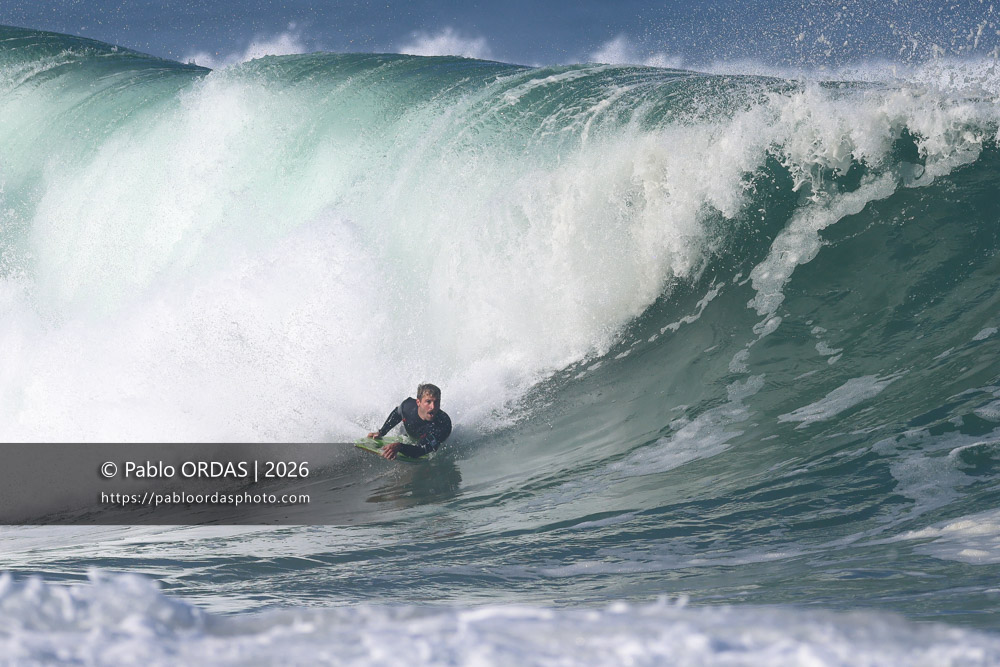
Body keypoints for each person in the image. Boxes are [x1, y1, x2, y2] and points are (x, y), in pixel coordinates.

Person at [367, 383, 452, 460]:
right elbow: (397, 413)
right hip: (410, 431)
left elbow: (420, 451)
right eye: (428, 402)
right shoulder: (407, 407)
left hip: (428, 442)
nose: (433, 407)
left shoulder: (443, 424)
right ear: (418, 402)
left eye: (436, 402)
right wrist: (382, 432)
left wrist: (399, 447)